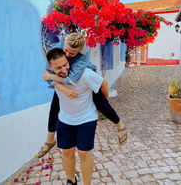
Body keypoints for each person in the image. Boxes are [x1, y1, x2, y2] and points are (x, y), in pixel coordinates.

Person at [36, 32, 127, 158]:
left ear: (79, 52)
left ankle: (120, 125)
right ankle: (50, 140)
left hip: (79, 78)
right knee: (54, 107)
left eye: (72, 54)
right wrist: (60, 86)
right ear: (65, 42)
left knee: (102, 104)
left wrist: (51, 77)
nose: (67, 55)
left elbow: (72, 79)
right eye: (66, 50)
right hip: (63, 77)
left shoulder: (84, 57)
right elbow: (48, 69)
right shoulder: (59, 46)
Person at [47, 47, 110, 185]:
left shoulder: (85, 73)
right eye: (58, 68)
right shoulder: (50, 76)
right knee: (67, 152)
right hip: (65, 119)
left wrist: (102, 106)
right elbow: (48, 79)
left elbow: (102, 85)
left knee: (84, 153)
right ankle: (71, 180)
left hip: (86, 118)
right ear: (50, 67)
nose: (63, 70)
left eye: (65, 65)